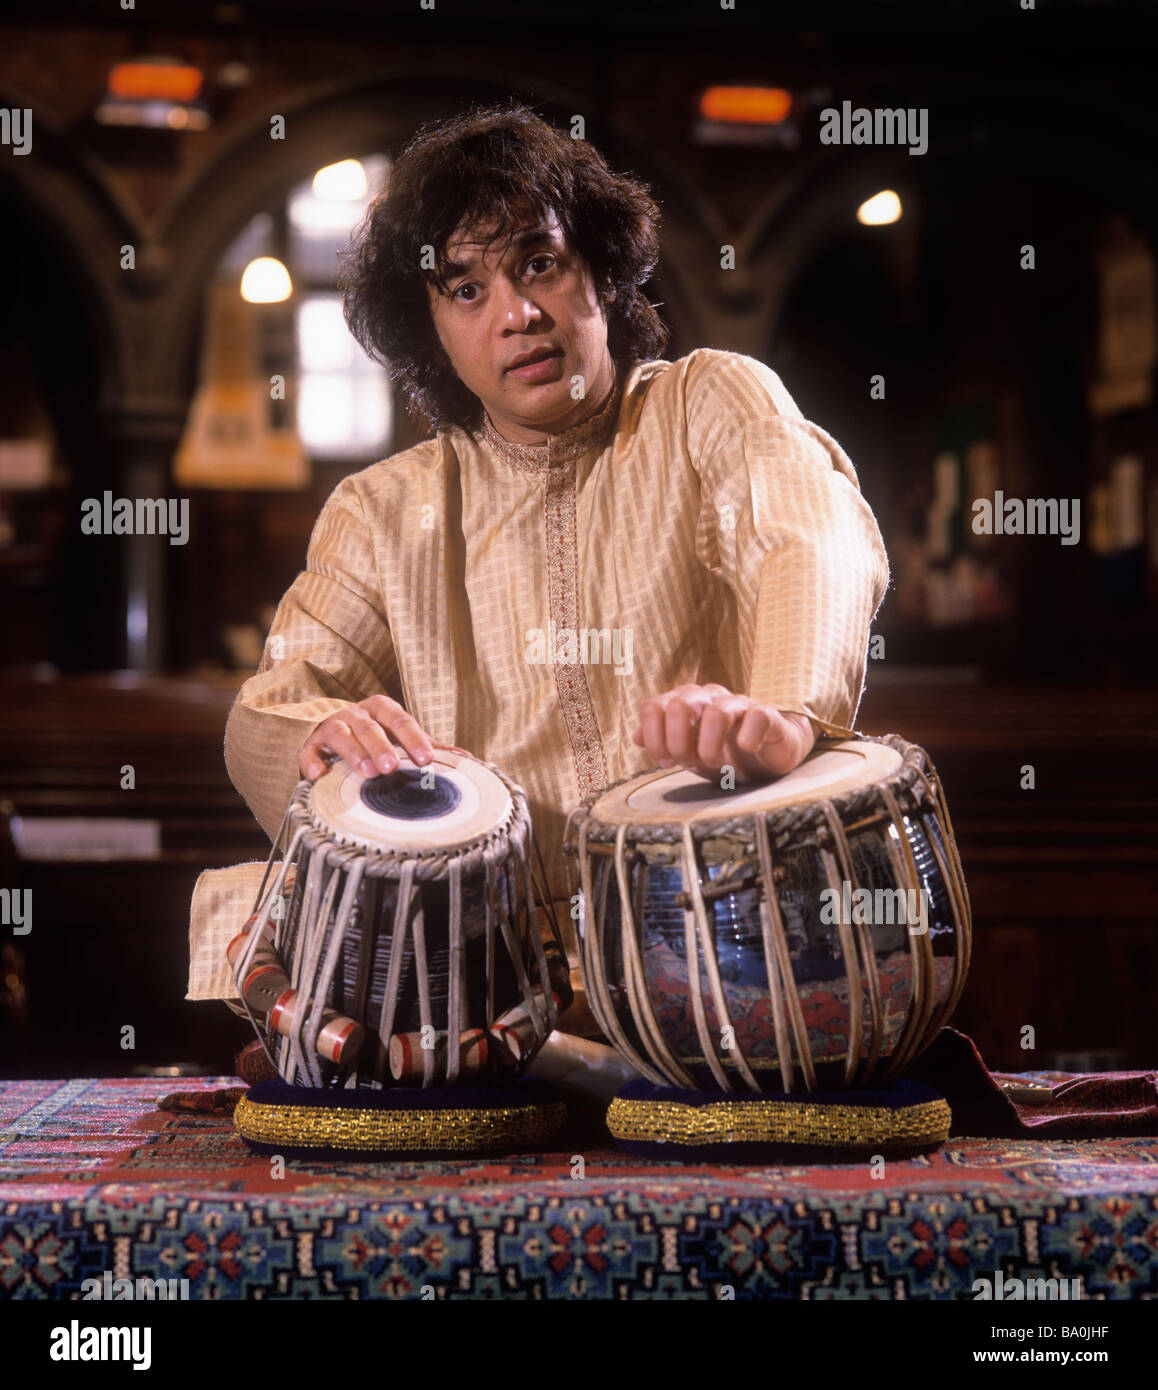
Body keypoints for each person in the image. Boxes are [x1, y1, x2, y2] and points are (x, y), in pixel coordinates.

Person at [219, 102, 890, 1032]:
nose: (518, 315)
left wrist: (777, 715)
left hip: (732, 956)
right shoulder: (383, 511)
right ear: (433, 331)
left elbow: (807, 537)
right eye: (465, 289)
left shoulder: (709, 404)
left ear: (603, 273)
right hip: (481, 995)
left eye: (540, 262)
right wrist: (320, 734)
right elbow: (271, 703)